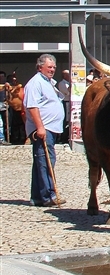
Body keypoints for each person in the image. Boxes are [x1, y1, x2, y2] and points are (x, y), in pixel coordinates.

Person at [23, 54, 66, 207]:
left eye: (54, 67)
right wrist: (40, 127)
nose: (52, 69)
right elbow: (32, 106)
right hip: (43, 128)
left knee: (40, 161)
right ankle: (49, 195)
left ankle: (37, 196)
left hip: (51, 128)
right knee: (46, 161)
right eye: (49, 67)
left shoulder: (49, 82)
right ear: (40, 67)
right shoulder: (35, 83)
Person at [56, 70, 71, 144]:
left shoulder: (68, 83)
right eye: (68, 75)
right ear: (65, 75)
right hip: (66, 102)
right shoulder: (62, 84)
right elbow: (67, 93)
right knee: (65, 120)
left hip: (70, 102)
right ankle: (63, 137)